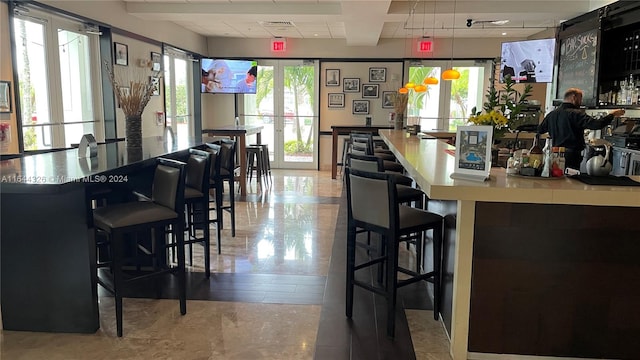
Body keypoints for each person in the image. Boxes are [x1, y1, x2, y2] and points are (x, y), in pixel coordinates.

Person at [537, 88, 625, 170]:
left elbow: (540, 129)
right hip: (572, 155)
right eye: (580, 98)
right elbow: (596, 124)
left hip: (554, 154)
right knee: (572, 181)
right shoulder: (576, 113)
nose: (581, 101)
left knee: (557, 179)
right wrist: (612, 114)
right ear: (574, 97)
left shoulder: (552, 114)